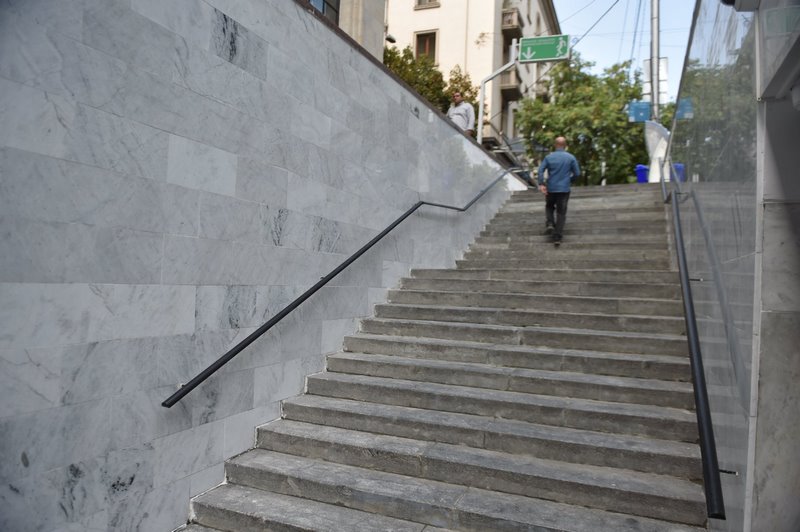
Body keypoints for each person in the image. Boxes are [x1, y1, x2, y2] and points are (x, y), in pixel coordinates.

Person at [537, 136, 581, 247]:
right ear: (565, 145)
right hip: (564, 189)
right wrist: (569, 180)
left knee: (549, 206)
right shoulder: (571, 157)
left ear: (555, 145)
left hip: (551, 188)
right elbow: (577, 173)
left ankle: (550, 223)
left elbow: (540, 170)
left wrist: (541, 183)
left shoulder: (549, 157)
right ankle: (557, 238)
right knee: (561, 213)